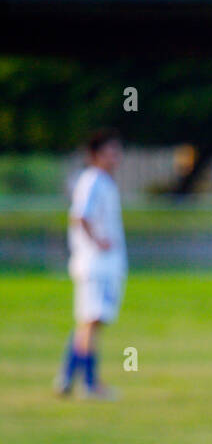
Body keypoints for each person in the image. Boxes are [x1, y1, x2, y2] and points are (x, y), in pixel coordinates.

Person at [55, 130, 127, 399]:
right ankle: (89, 383)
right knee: (91, 321)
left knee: (89, 322)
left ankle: (66, 377)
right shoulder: (93, 180)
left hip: (101, 265)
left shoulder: (104, 182)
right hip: (96, 265)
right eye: (110, 151)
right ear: (95, 154)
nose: (116, 157)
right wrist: (98, 242)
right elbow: (80, 217)